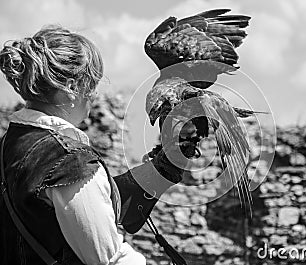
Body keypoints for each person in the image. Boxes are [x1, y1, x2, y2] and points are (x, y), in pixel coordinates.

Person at [0, 25, 196, 265]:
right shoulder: (70, 162)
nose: (94, 95)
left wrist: (155, 172)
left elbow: (53, 214)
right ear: (72, 88)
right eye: (92, 84)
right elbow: (108, 260)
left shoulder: (8, 147)